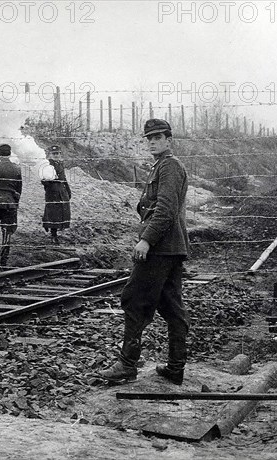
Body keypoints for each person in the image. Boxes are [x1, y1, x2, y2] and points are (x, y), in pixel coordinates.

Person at [99, 118, 190, 385]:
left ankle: (127, 365)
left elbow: (165, 209)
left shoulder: (170, 166)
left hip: (161, 247)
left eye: (158, 137)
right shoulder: (161, 166)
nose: (152, 141)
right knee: (171, 307)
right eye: (149, 138)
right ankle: (175, 367)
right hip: (171, 247)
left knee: (134, 299)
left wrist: (147, 240)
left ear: (169, 140)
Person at [40, 145, 71, 245]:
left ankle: (55, 229)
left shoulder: (60, 163)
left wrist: (68, 190)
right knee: (53, 213)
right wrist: (48, 184)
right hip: (52, 192)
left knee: (61, 212)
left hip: (61, 191)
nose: (56, 155)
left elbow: (64, 178)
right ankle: (53, 235)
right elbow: (44, 180)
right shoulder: (48, 164)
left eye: (57, 153)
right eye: (54, 154)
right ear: (50, 154)